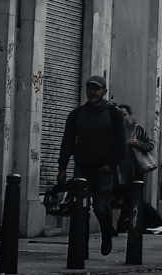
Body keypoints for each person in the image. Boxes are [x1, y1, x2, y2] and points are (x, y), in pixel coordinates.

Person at [57, 75, 127, 256]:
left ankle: (106, 233)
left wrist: (111, 165)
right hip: (82, 169)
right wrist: (62, 168)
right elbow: (68, 142)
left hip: (103, 170)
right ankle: (82, 248)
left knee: (101, 208)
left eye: (96, 89)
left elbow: (122, 144)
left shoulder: (114, 114)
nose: (92, 92)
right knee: (80, 209)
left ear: (104, 92)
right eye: (90, 88)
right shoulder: (77, 115)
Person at [114, 104, 155, 232]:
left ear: (130, 115)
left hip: (133, 171)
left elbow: (150, 144)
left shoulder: (137, 129)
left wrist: (138, 144)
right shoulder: (113, 129)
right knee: (116, 200)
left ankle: (135, 224)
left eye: (124, 115)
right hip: (116, 172)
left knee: (134, 199)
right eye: (119, 115)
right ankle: (115, 226)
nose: (122, 118)